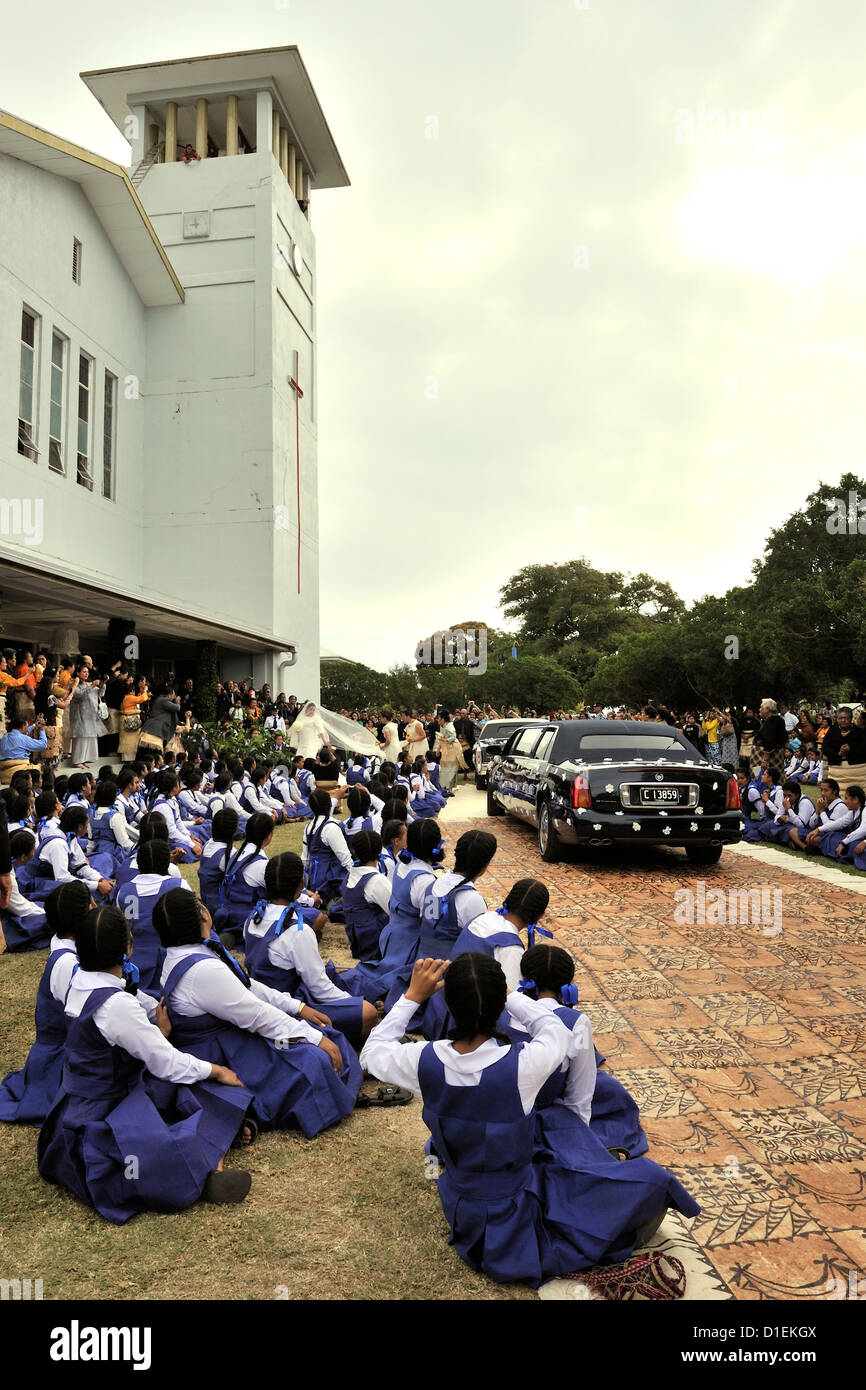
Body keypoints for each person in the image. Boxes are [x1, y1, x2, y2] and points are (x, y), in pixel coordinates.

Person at [360, 956, 699, 1287]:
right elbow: (553, 1029)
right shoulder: (524, 1064)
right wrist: (510, 995)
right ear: (500, 1009)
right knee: (651, 1179)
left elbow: (372, 1053)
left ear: (447, 1006)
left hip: (462, 1204)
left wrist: (412, 998)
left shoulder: (421, 1060)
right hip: (517, 1210)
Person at [37, 903, 253, 1222]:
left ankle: (214, 1144)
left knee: (183, 1092)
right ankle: (206, 1166)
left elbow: (137, 1012)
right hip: (108, 1112)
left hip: (76, 1105)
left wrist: (154, 1021)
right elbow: (165, 1062)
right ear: (128, 949)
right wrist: (217, 1069)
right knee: (198, 1090)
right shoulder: (116, 1005)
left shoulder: (79, 984)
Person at [155, 888, 362, 1134]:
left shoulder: (187, 952)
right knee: (314, 1058)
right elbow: (256, 1015)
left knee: (317, 1036)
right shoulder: (202, 969)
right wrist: (313, 1038)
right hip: (225, 1049)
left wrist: (298, 1007)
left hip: (227, 1036)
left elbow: (245, 983)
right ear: (202, 916)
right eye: (200, 903)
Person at [243, 852, 381, 1048]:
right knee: (367, 1012)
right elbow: (321, 990)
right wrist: (353, 1001)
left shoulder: (252, 919)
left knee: (345, 973)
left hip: (270, 995)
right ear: (301, 885)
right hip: (291, 1008)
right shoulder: (298, 931)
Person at [0, 882, 90, 1123]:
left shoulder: (64, 946)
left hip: (57, 1049)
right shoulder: (68, 963)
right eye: (92, 905)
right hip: (58, 1060)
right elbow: (86, 1020)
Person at [65, 664, 107, 768]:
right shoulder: (74, 684)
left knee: (88, 738)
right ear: (78, 673)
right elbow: (79, 695)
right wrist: (92, 685)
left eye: (87, 672)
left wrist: (103, 683)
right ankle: (77, 761)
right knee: (80, 738)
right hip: (79, 716)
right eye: (83, 672)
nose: (86, 673)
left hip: (90, 716)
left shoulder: (89, 684)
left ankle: (84, 759)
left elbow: (101, 693)